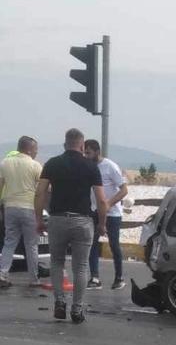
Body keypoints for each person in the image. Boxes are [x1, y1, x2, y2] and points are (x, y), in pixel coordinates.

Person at [34, 129, 108, 324]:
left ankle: (59, 302)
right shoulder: (91, 166)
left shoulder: (52, 163)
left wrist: (39, 219)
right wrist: (102, 224)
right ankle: (77, 308)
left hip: (58, 220)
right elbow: (101, 200)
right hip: (82, 221)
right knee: (81, 266)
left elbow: (40, 193)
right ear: (82, 146)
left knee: (57, 262)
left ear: (64, 144)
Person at [84, 140, 128, 290]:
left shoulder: (110, 166)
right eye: (84, 152)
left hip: (113, 213)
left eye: (88, 152)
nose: (86, 155)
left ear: (97, 151)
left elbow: (124, 190)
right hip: (94, 211)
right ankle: (95, 278)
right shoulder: (88, 167)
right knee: (92, 243)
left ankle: (119, 277)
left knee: (114, 244)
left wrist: (109, 204)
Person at [0, 136, 43, 288]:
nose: (37, 152)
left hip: (10, 207)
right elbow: (42, 190)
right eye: (36, 149)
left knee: (9, 242)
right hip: (29, 208)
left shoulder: (5, 163)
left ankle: (2, 274)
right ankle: (34, 279)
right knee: (31, 244)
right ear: (29, 149)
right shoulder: (35, 165)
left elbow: (1, 185)